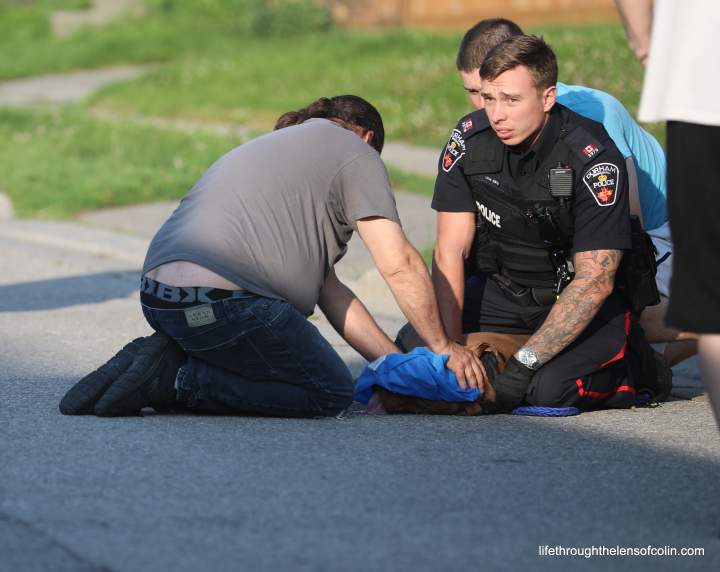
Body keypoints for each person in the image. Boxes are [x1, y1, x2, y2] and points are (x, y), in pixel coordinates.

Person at [60, 95, 484, 418]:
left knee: (271, 356)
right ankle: (176, 378)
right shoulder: (357, 152)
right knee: (328, 390)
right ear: (368, 138)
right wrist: (443, 347)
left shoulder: (278, 146)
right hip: (226, 306)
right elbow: (399, 263)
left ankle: (172, 356)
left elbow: (331, 292)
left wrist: (394, 367)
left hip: (161, 302)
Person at [428, 33, 661, 412]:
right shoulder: (469, 139)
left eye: (512, 100)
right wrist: (450, 350)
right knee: (418, 342)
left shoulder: (593, 158)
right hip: (505, 291)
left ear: (548, 97)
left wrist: (526, 362)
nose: (496, 114)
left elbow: (595, 281)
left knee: (546, 390)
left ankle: (636, 367)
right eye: (489, 98)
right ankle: (502, 355)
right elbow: (449, 250)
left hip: (574, 297)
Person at [451, 18, 698, 368]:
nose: (484, 108)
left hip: (666, 231)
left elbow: (629, 224)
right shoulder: (508, 120)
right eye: (476, 93)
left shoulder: (586, 115)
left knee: (618, 317)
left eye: (492, 92)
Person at [616, 0, 720, 426]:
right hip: (698, 91)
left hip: (700, 90)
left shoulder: (588, 113)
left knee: (705, 301)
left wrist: (646, 42)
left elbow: (630, 224)